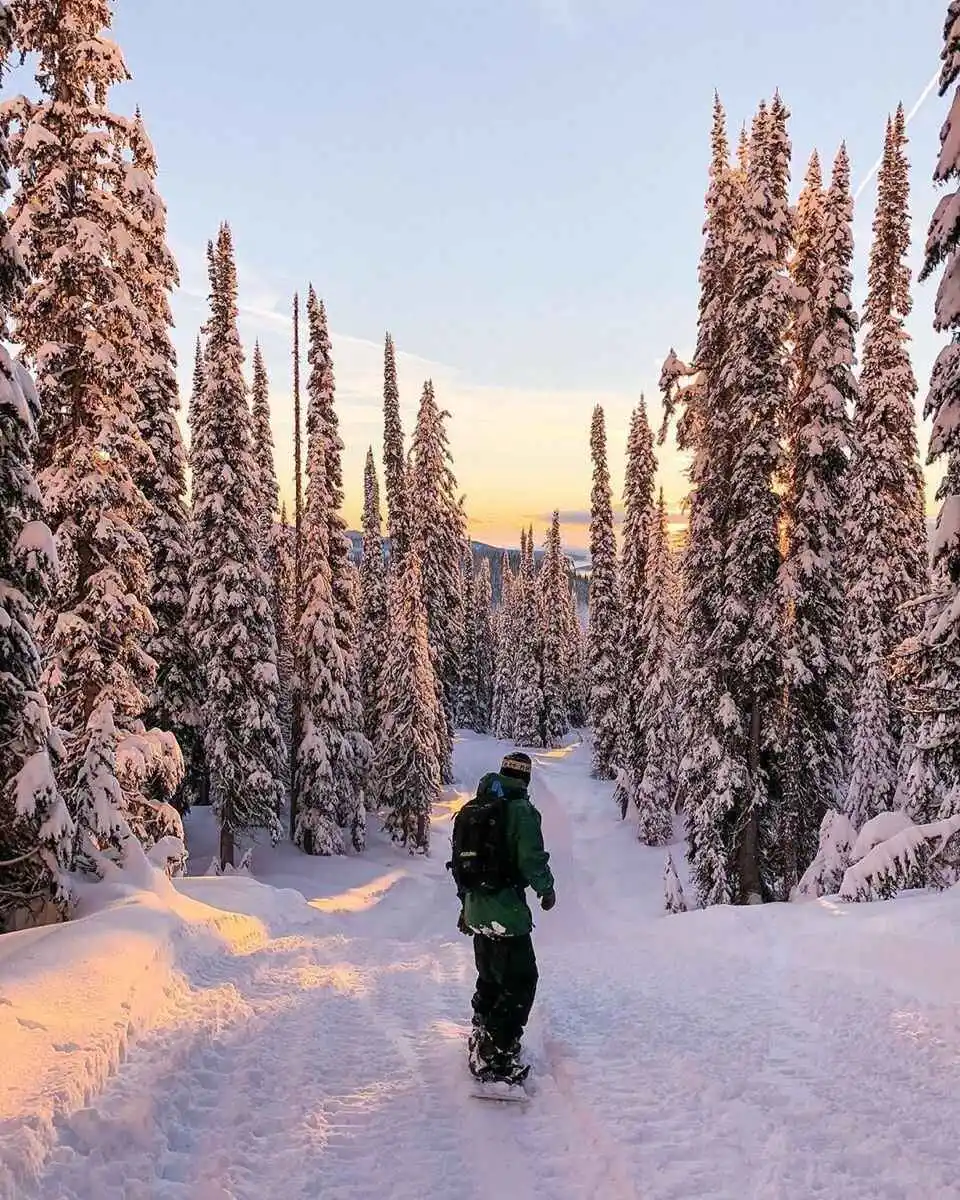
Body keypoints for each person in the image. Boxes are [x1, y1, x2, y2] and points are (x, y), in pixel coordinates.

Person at [448, 751, 556, 1085]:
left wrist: (466, 906)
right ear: (524, 779)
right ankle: (495, 1048)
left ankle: (483, 1029)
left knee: (493, 975)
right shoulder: (521, 812)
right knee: (522, 980)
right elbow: (532, 858)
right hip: (505, 910)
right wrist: (546, 888)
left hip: (477, 909)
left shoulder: (474, 809)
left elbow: (461, 864)